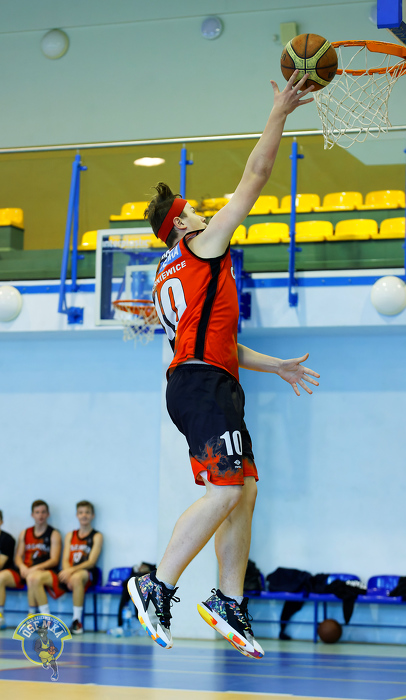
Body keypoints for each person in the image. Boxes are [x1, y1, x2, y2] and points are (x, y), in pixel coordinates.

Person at [127, 70, 320, 660]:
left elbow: (220, 345)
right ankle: (157, 583)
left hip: (207, 379)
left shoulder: (173, 272)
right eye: (195, 210)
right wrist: (279, 113)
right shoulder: (202, 246)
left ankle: (229, 601)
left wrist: (276, 366)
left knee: (245, 488)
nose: (206, 212)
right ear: (181, 227)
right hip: (202, 386)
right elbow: (255, 177)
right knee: (226, 487)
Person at [28, 500, 103, 635]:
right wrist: (67, 571)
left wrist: (70, 571)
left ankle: (76, 622)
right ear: (77, 515)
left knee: (76, 578)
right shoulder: (70, 535)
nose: (84, 515)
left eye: (87, 512)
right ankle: (46, 620)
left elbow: (91, 562)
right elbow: (65, 559)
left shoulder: (97, 536)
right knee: (34, 577)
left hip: (86, 572)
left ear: (92, 516)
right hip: (68, 571)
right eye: (81, 512)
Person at [0, 500, 61, 623]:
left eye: (43, 512)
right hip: (25, 570)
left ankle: (41, 618)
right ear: (32, 515)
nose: (40, 515)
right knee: (1, 577)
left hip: (45, 571)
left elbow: (54, 560)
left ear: (48, 514)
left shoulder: (54, 534)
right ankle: (0, 617)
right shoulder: (25, 533)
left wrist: (34, 569)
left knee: (33, 577)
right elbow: (18, 556)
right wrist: (22, 567)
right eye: (37, 512)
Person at [0, 509, 16, 630]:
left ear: (1, 522)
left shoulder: (7, 539)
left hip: (9, 573)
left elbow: (1, 564)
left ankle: (0, 616)